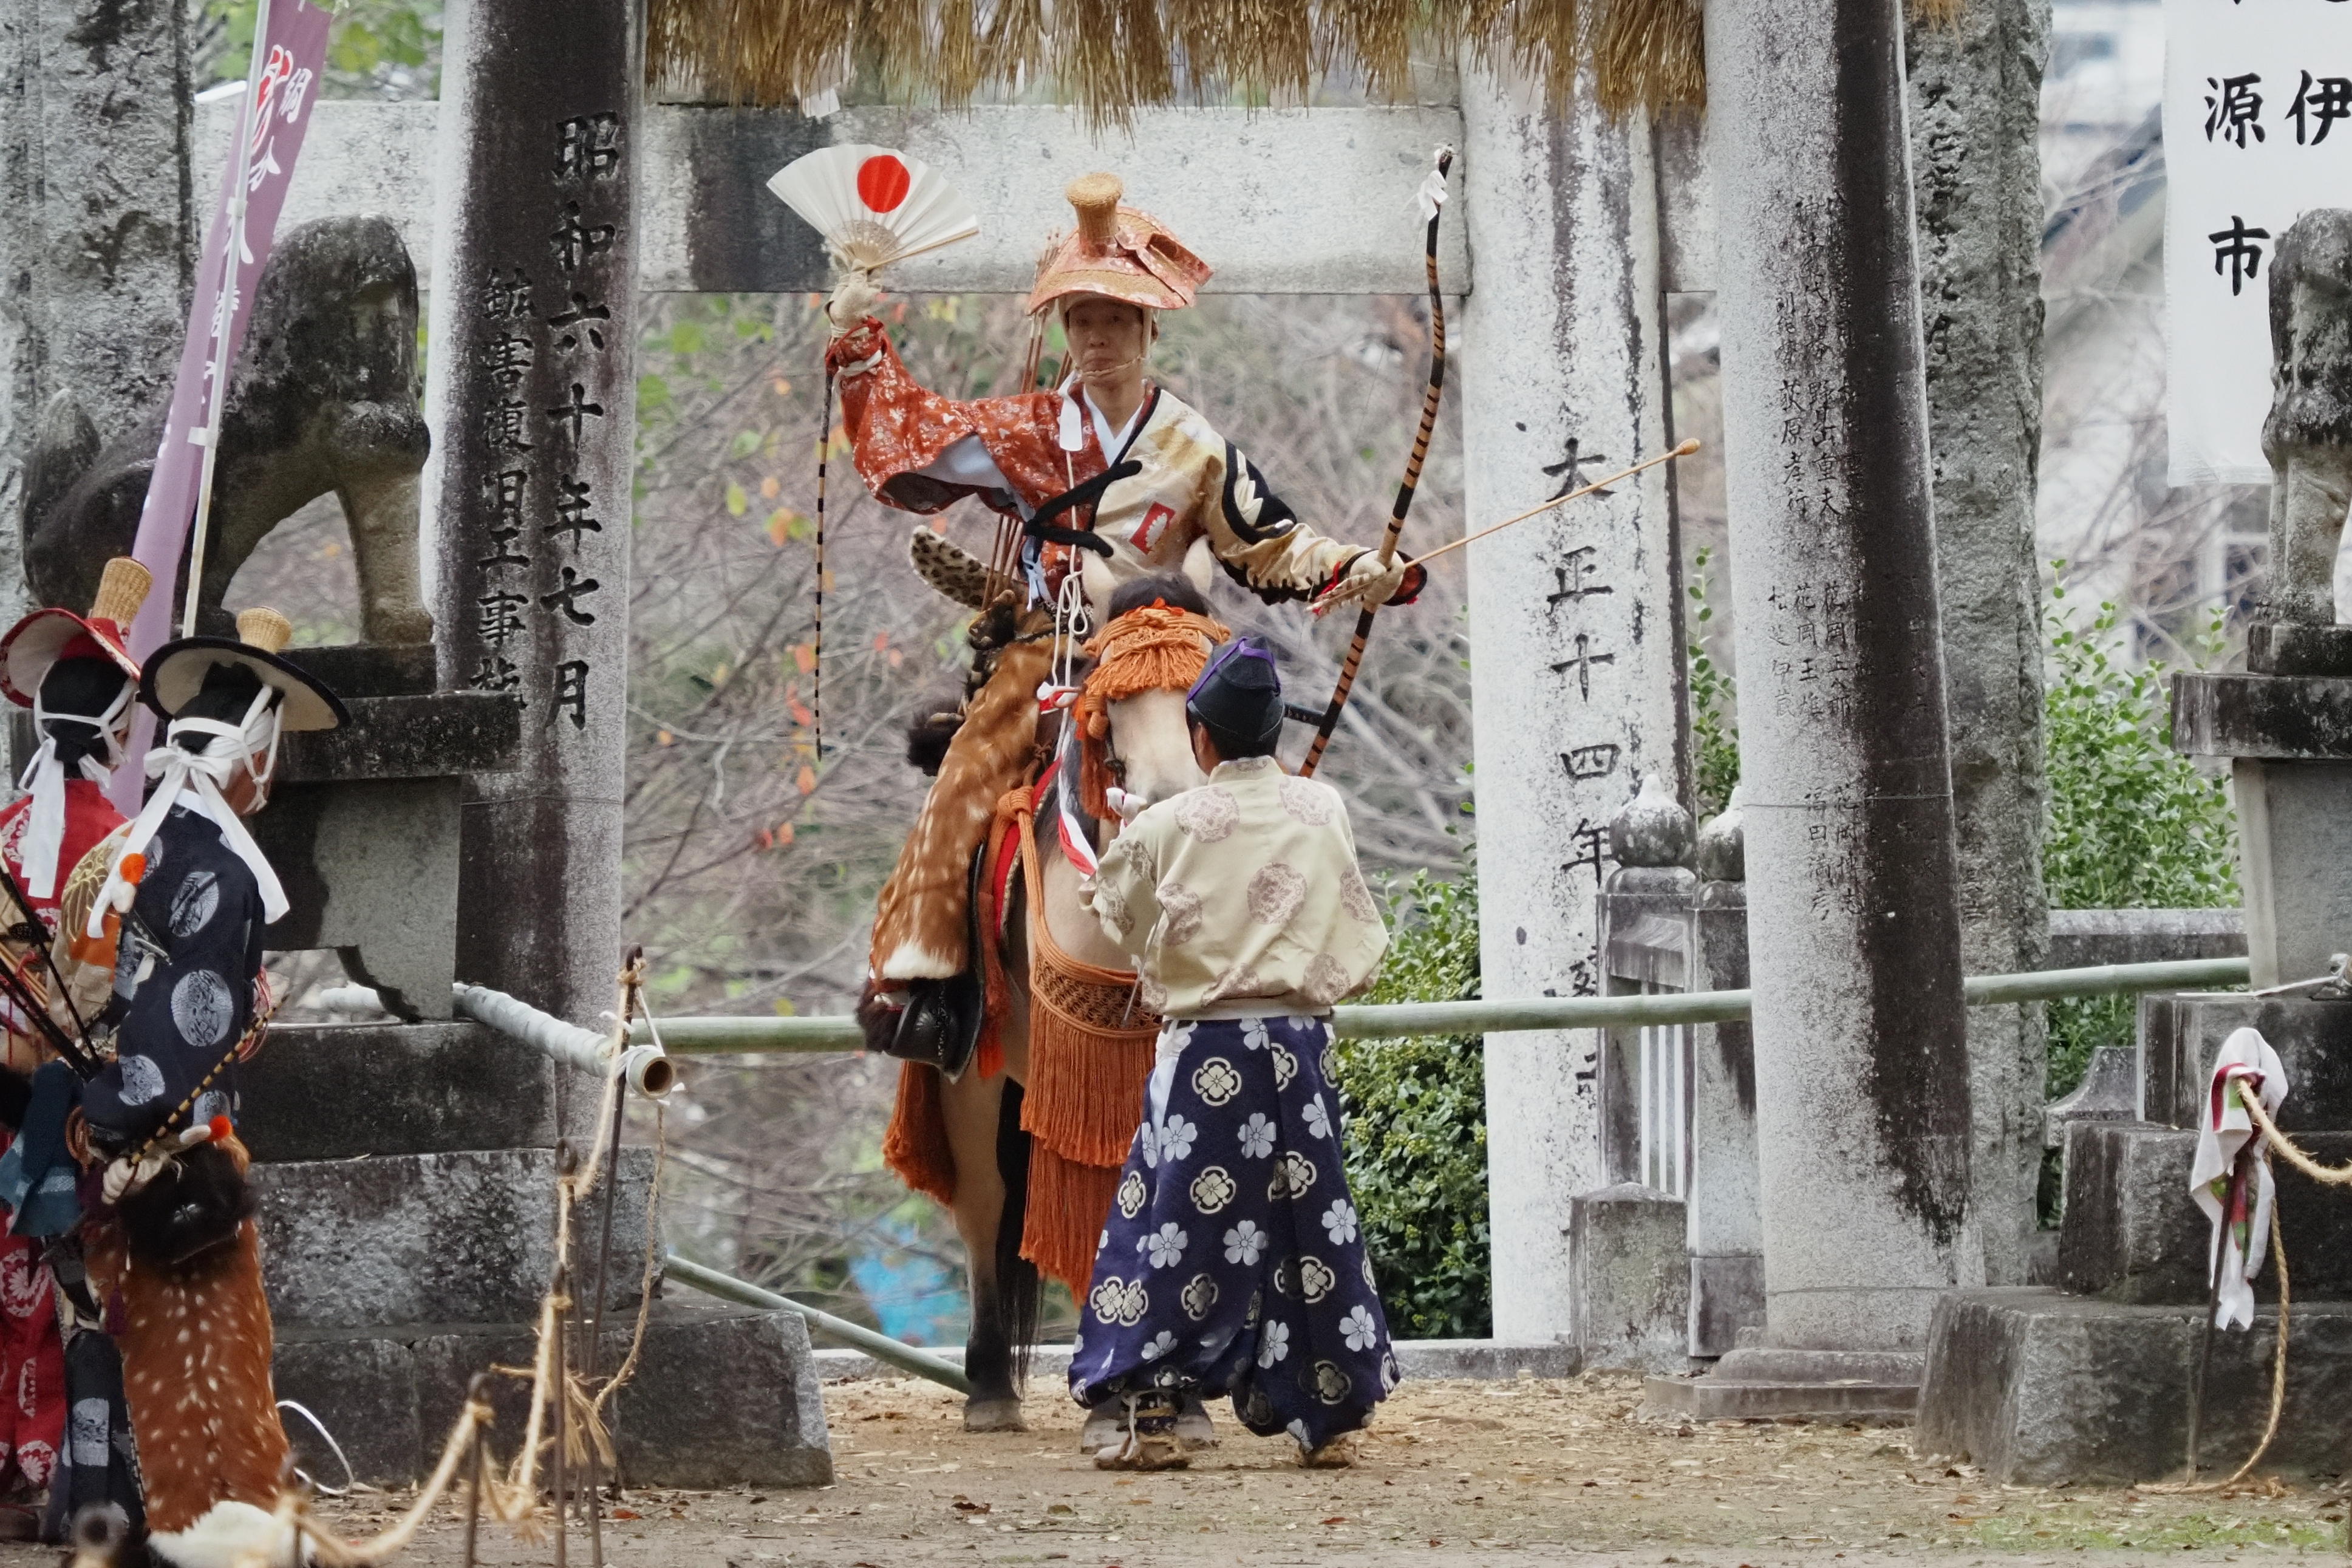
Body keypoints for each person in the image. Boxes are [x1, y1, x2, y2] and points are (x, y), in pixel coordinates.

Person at [827, 170, 1426, 1064]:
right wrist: (858, 342)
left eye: (1115, 319)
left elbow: (1270, 542)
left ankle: (1297, 957)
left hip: (1174, 651)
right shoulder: (1030, 429)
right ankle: (926, 979)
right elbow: (914, 436)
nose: (1097, 338)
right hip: (1055, 648)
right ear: (1064, 332)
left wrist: (1355, 569)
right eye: (1080, 320)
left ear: (1150, 329)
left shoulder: (1196, 446)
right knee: (967, 770)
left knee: (1260, 780)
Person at [1070, 635, 1397, 1470]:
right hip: (1299, 1046)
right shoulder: (1323, 807)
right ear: (1276, 731)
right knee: (1308, 1219)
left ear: (1201, 737)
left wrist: (1135, 840)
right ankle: (1327, 1413)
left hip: (1205, 1051)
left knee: (1175, 1222)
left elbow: (1117, 916)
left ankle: (1152, 1410)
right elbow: (1352, 920)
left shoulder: (1164, 823)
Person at [68, 607, 344, 1567]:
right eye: (272, 755)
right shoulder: (219, 873)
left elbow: (117, 996)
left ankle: (190, 1530)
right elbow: (181, 1030)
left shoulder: (134, 852)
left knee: (159, 1361)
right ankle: (223, 1539)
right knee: (212, 1365)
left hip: (122, 1140)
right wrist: (127, 1120)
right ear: (249, 756)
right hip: (178, 1151)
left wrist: (101, 1116)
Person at [0, 558, 149, 1539]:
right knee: (70, 1299)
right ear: (117, 732)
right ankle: (51, 1479)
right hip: (78, 1112)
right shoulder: (130, 847)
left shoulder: (3, 836)